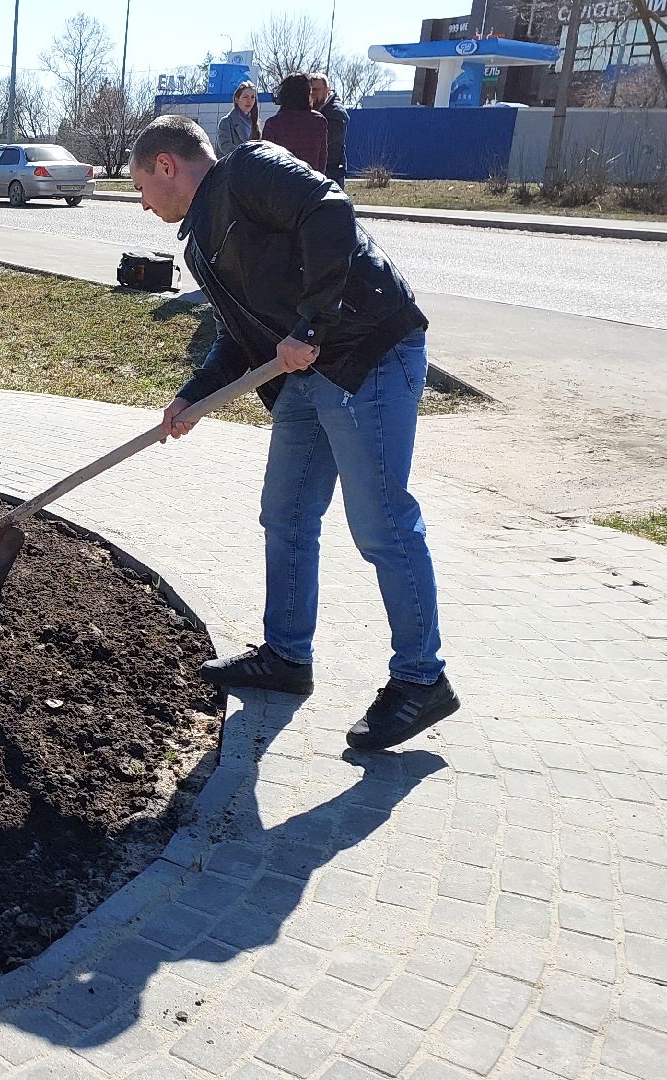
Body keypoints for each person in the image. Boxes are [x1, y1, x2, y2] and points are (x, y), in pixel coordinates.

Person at [127, 114, 458, 751]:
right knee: (284, 513)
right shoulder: (200, 247)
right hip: (306, 376)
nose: (142, 204)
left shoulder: (248, 168)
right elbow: (238, 335)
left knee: (381, 523)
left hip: (368, 353)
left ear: (166, 166)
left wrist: (312, 324)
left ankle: (421, 680)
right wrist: (192, 397)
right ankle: (286, 656)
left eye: (141, 186)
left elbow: (329, 209)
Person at [259, 73, 327, 173]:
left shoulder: (273, 124)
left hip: (280, 181)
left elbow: (266, 161)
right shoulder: (319, 121)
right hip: (310, 181)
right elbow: (322, 159)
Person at [309, 72, 351, 187]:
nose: (312, 94)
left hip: (331, 172)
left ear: (327, 89)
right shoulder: (314, 110)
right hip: (318, 171)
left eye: (316, 89)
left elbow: (324, 141)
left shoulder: (336, 113)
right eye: (310, 90)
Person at [215, 81, 261, 158]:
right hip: (230, 167)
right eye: (245, 97)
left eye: (252, 97)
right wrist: (247, 154)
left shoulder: (254, 123)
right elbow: (225, 147)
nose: (249, 100)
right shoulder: (226, 121)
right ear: (237, 99)